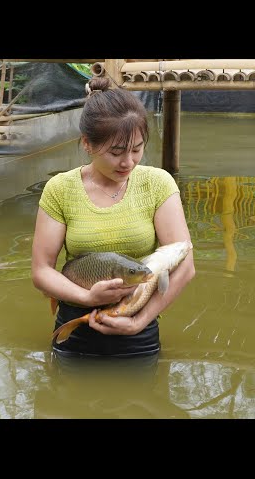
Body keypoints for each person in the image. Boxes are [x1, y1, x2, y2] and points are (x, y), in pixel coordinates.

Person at [31, 76, 195, 368]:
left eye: (137, 149)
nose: (128, 162)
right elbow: (42, 271)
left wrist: (139, 321)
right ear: (87, 144)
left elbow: (185, 266)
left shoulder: (157, 184)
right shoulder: (60, 188)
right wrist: (87, 296)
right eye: (116, 152)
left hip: (138, 331)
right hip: (75, 329)